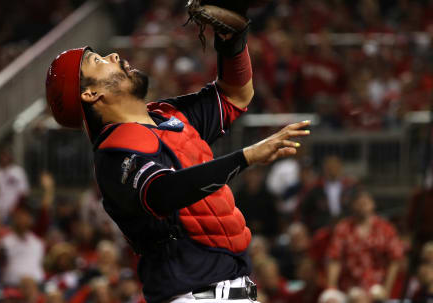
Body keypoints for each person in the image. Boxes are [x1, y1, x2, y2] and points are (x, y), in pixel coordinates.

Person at [45, 22, 310, 302]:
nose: (112, 56)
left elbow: (235, 95)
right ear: (90, 94)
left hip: (233, 288)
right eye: (96, 61)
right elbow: (163, 193)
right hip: (188, 294)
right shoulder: (113, 153)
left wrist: (232, 39)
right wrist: (246, 157)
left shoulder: (168, 116)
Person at [326, 190, 403, 299]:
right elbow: (334, 259)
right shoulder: (343, 228)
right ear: (353, 205)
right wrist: (331, 289)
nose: (363, 206)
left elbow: (395, 260)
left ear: (373, 204)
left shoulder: (386, 229)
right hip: (349, 287)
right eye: (359, 203)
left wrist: (387, 290)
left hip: (377, 286)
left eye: (366, 203)